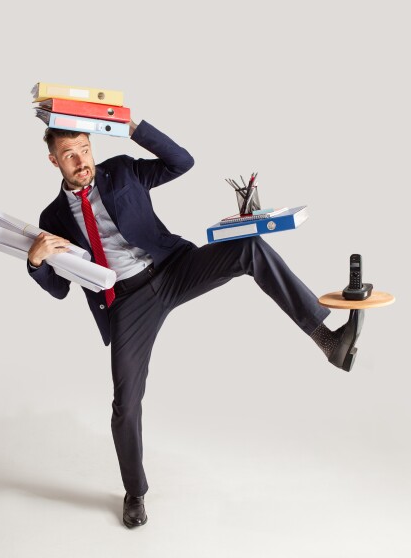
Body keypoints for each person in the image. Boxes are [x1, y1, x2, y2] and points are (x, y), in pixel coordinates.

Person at [26, 117, 363, 528]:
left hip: (172, 268)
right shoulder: (53, 217)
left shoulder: (123, 170)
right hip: (127, 303)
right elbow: (60, 289)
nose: (81, 161)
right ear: (53, 161)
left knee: (247, 247)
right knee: (125, 405)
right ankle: (135, 492)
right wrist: (36, 261)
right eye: (69, 155)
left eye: (84, 148)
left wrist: (131, 126)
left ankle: (328, 341)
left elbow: (181, 162)